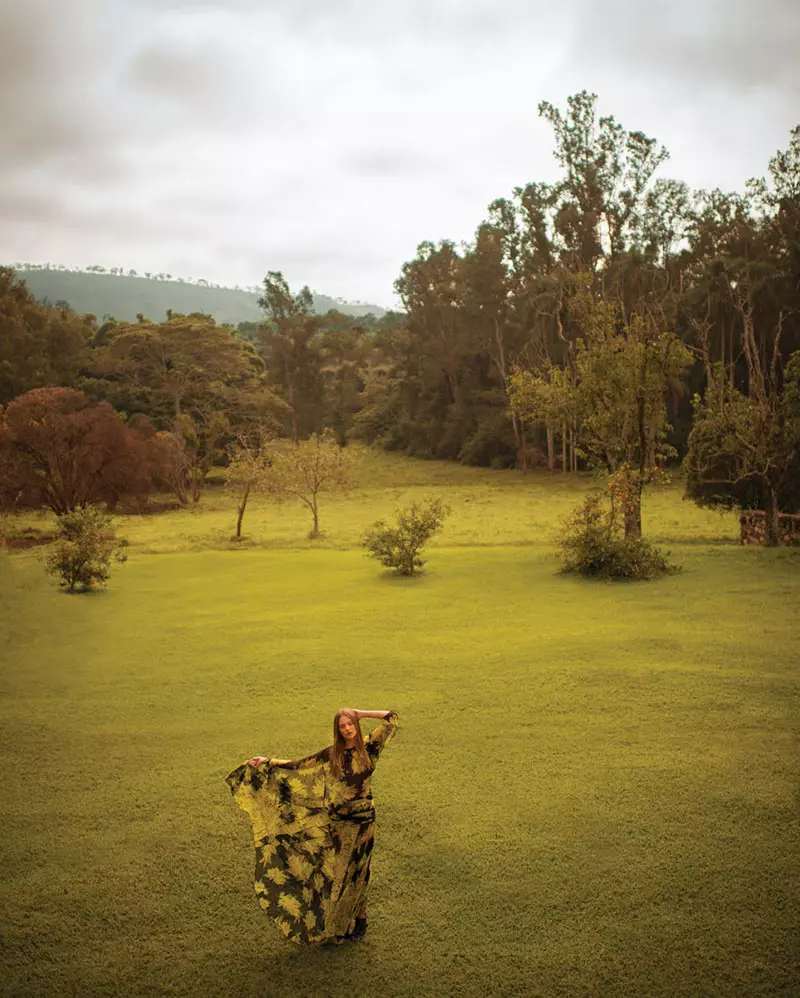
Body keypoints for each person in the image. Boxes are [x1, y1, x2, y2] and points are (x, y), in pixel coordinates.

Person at [226, 708, 398, 944]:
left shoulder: (370, 747)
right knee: (340, 872)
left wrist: (359, 712)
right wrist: (268, 762)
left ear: (356, 725)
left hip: (365, 820)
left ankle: (359, 918)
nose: (347, 729)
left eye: (350, 724)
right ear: (338, 731)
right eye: (342, 726)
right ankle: (337, 921)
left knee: (360, 871)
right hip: (340, 821)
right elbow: (299, 766)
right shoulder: (332, 754)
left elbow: (391, 719)